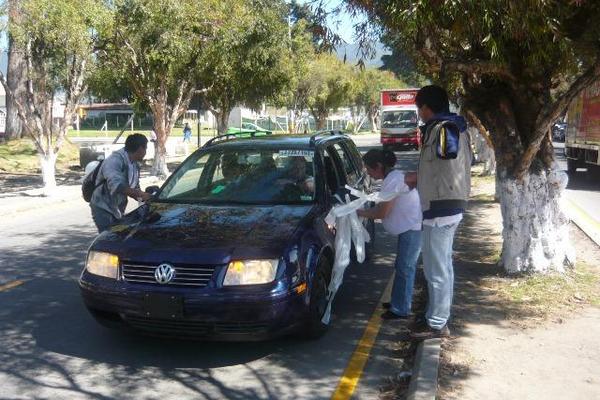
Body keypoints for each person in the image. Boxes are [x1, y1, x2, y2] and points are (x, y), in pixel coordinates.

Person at [408, 85, 471, 340]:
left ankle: (436, 324)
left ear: (425, 107)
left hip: (442, 208)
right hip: (439, 206)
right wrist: (417, 177)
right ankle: (435, 317)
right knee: (439, 266)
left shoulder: (446, 128)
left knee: (437, 270)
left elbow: (449, 159)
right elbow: (441, 167)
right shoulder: (443, 128)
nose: (419, 114)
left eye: (419, 109)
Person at [357, 149, 422, 320]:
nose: (368, 173)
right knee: (402, 266)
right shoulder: (394, 177)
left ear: (378, 166)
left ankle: (401, 309)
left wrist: (360, 213)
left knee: (405, 268)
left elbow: (382, 213)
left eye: (369, 169)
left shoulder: (393, 181)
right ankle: (398, 302)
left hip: (413, 227)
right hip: (410, 225)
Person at [89, 133, 152, 233]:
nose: (145, 152)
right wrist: (141, 194)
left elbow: (134, 187)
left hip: (117, 208)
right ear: (140, 149)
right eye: (145, 148)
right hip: (103, 207)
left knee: (119, 236)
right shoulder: (115, 160)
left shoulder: (134, 163)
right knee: (109, 238)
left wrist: (146, 199)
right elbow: (117, 186)